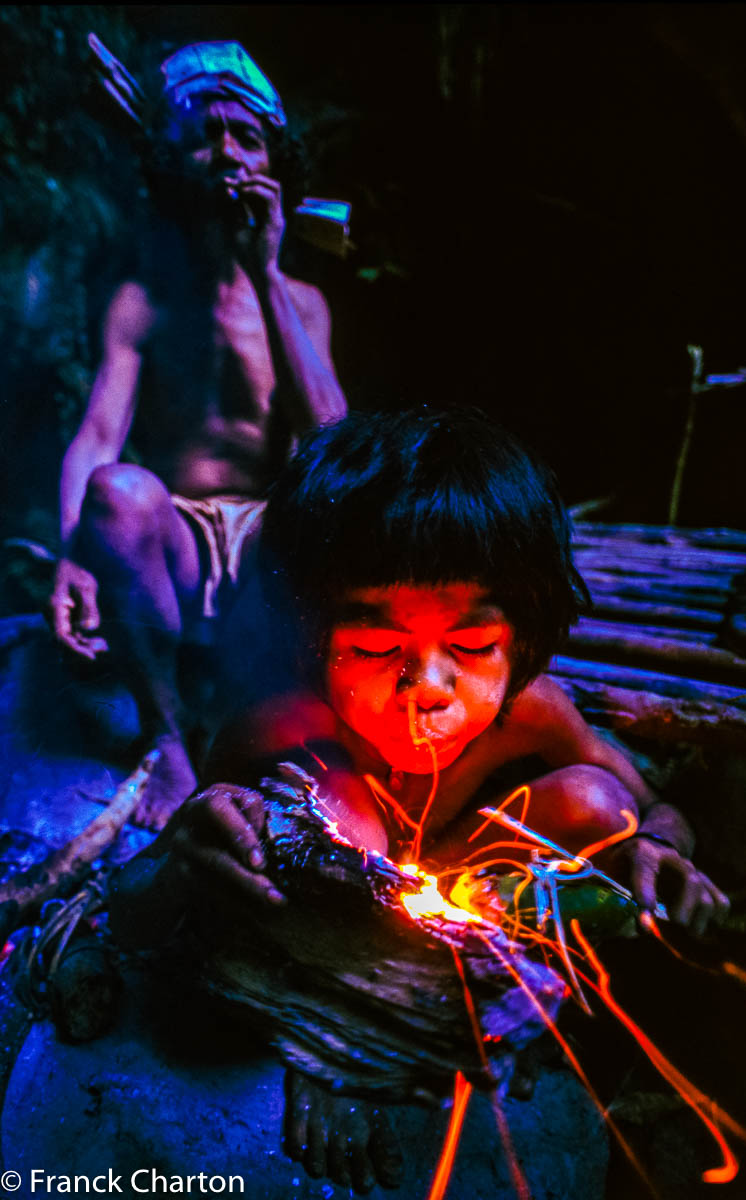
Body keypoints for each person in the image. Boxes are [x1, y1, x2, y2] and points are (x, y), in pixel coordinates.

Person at [108, 407, 730, 1191]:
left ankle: (477, 1009)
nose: (426, 691)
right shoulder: (288, 722)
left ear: (526, 635)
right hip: (339, 895)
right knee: (337, 803)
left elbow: (659, 807)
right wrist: (206, 834)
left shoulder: (531, 712)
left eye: (471, 648)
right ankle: (343, 1021)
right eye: (374, 649)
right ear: (314, 635)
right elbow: (168, 859)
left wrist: (662, 854)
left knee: (600, 805)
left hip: (460, 876)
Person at [49, 42, 347, 827]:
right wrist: (73, 553)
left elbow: (335, 446)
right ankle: (167, 740)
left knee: (342, 508)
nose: (227, 153)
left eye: (246, 137)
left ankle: (284, 736)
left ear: (275, 160)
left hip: (270, 550)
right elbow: (99, 435)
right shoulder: (144, 298)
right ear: (172, 157)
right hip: (175, 539)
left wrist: (266, 270)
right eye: (205, 133)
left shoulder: (303, 301)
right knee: (115, 492)